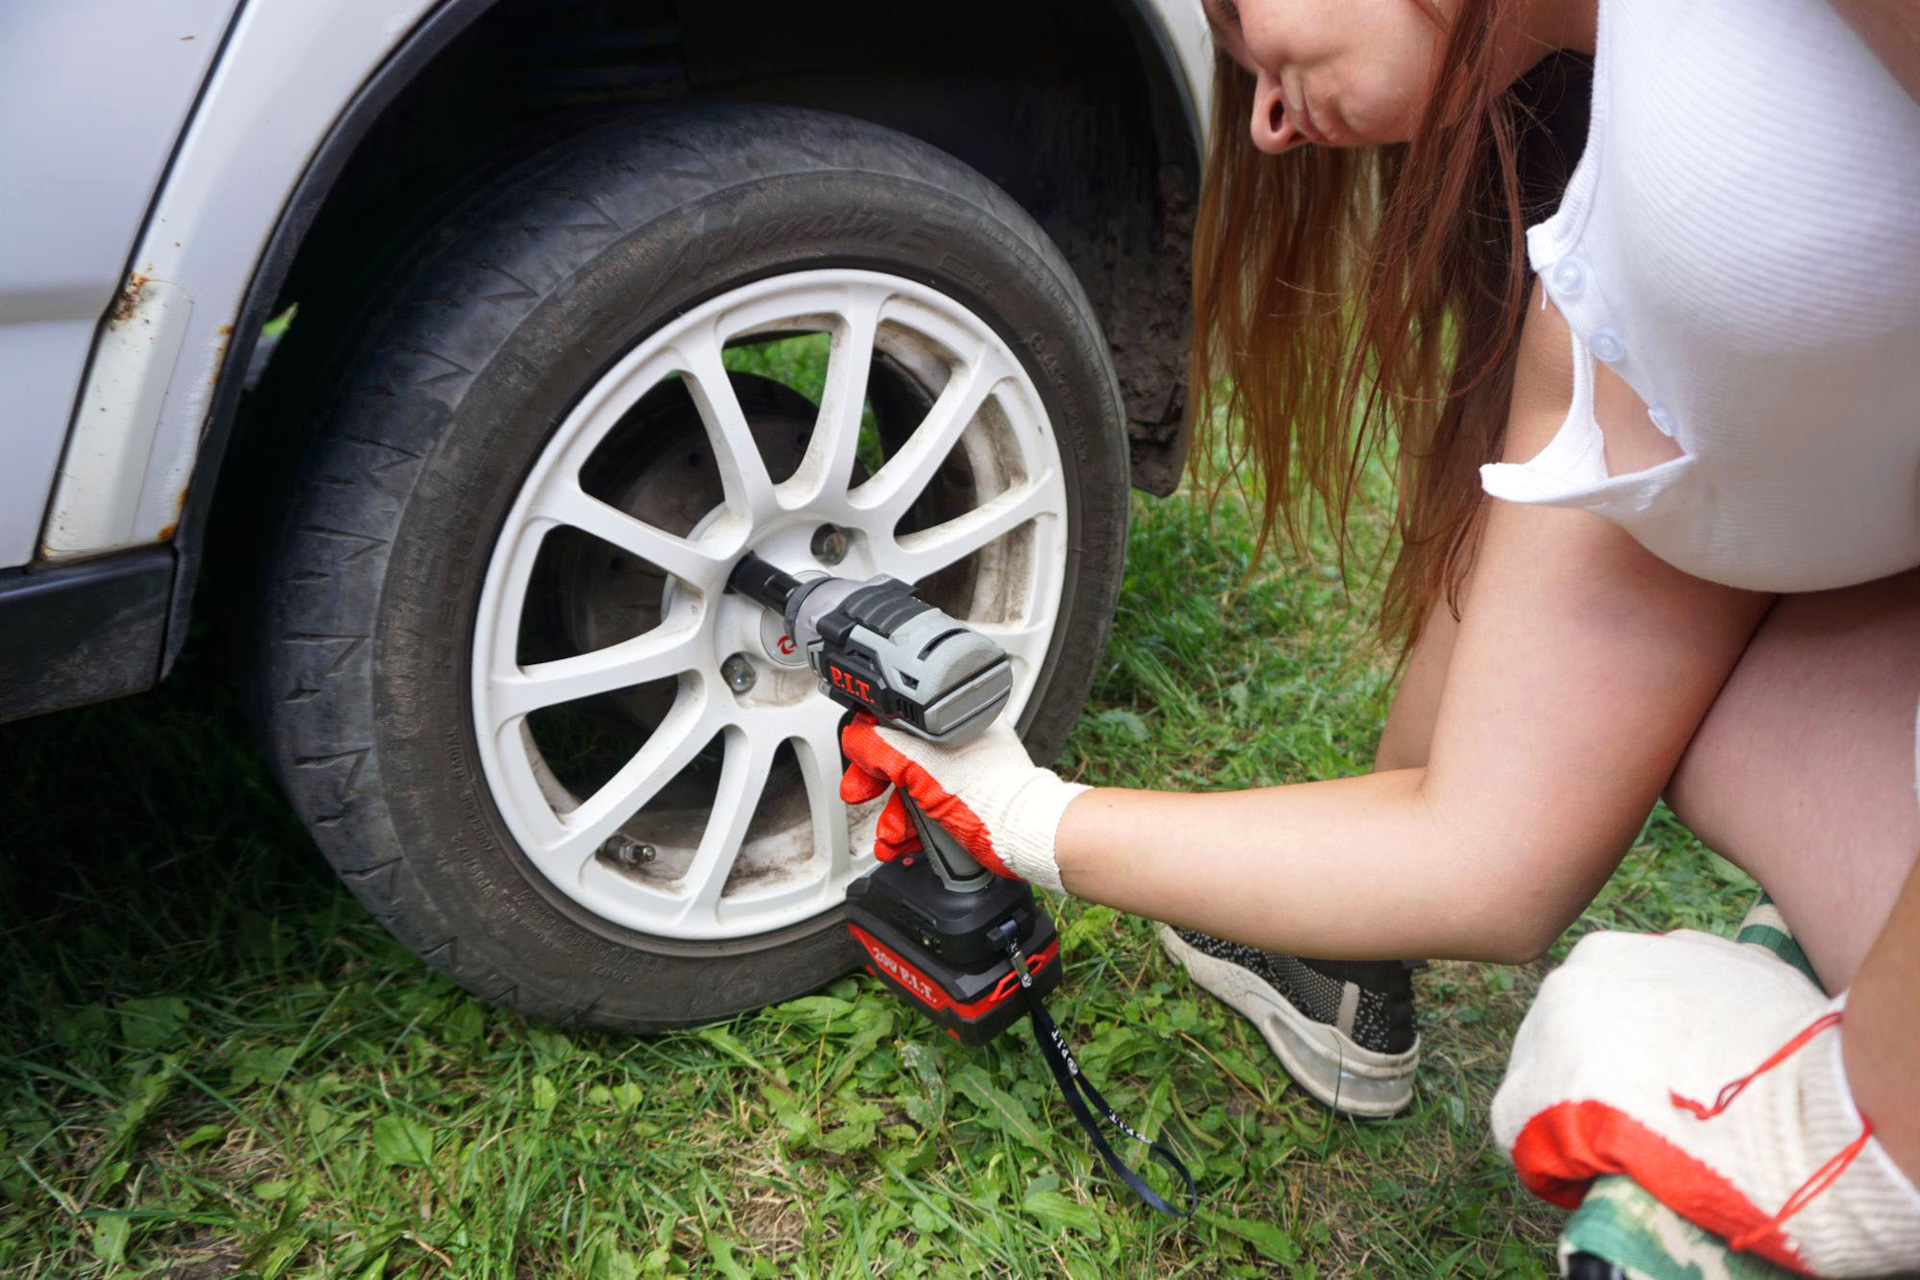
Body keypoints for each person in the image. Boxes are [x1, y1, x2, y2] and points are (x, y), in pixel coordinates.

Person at [836, 0, 1920, 1272]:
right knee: (1725, 716)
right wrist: (1020, 814)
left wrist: (1856, 1120)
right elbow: (1483, 840)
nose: (1271, 123)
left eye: (1239, 15)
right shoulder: (1602, 304)